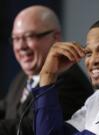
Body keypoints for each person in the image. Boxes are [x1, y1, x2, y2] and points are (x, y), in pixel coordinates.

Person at [0, 5, 93, 135]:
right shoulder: (22, 78)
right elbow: (4, 108)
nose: (21, 46)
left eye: (29, 36)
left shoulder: (69, 80)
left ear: (55, 38)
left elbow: (35, 128)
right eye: (16, 38)